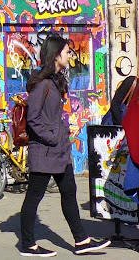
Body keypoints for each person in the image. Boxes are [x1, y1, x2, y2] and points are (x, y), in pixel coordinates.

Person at [19, 34, 110, 257]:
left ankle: (82, 241)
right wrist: (52, 136)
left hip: (59, 151)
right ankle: (28, 244)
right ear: (56, 55)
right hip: (44, 150)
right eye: (67, 52)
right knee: (34, 196)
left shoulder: (55, 81)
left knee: (69, 192)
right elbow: (33, 119)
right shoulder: (42, 84)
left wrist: (61, 131)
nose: (70, 55)